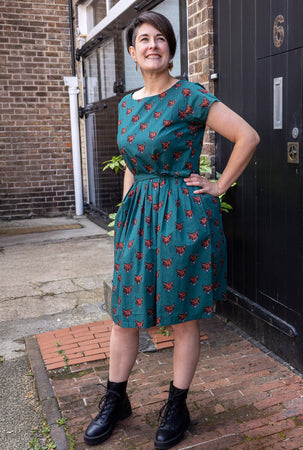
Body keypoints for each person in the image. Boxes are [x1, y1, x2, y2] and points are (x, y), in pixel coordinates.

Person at [84, 10, 259, 449]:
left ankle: (177, 406)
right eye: (143, 39)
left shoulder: (189, 97)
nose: (152, 45)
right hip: (138, 216)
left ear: (169, 48)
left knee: (183, 317)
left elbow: (248, 136)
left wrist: (219, 185)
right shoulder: (127, 104)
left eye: (160, 38)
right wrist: (125, 209)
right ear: (132, 51)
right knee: (126, 313)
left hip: (182, 217)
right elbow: (131, 164)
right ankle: (115, 400)